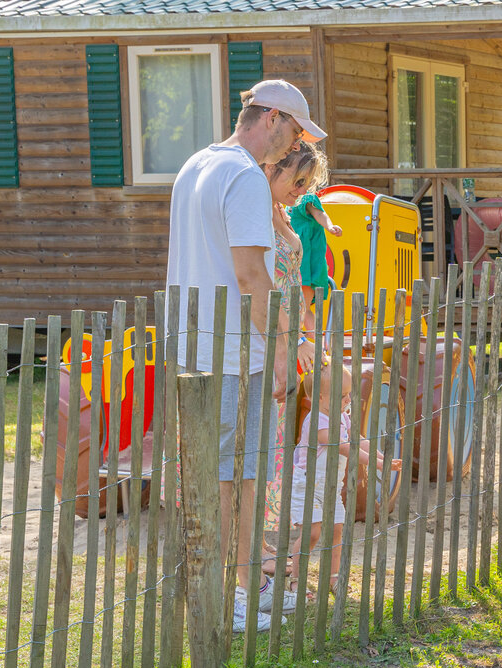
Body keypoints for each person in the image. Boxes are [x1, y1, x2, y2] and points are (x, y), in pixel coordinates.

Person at [165, 78, 325, 633]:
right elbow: (251, 274)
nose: (294, 144)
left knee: (220, 473)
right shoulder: (242, 176)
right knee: (237, 476)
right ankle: (233, 592)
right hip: (236, 352)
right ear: (274, 118)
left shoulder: (196, 164)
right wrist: (282, 352)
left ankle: (236, 583)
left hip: (194, 348)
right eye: (296, 131)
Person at [258, 142, 329, 572]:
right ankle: (250, 549)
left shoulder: (283, 214)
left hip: (289, 335)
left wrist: (309, 332)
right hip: (264, 334)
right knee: (260, 440)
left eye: (308, 184)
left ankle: (259, 544)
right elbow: (260, 283)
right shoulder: (255, 213)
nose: (301, 191)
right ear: (273, 169)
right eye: (296, 180)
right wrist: (294, 337)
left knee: (277, 437)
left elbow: (292, 282)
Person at [287, 362, 400, 596]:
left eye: (349, 394)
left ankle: (333, 577)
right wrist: (378, 464)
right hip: (308, 486)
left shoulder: (341, 417)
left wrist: (384, 456)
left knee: (337, 530)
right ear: (319, 398)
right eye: (342, 396)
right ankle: (297, 579)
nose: (348, 400)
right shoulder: (317, 422)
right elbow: (346, 448)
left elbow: (358, 440)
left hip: (330, 487)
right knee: (312, 533)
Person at [289, 180, 342, 333]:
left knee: (302, 310)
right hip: (294, 267)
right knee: (298, 310)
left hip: (306, 267)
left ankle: (318, 347)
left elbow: (320, 213)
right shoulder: (287, 203)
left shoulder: (306, 198)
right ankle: (316, 346)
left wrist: (330, 226)